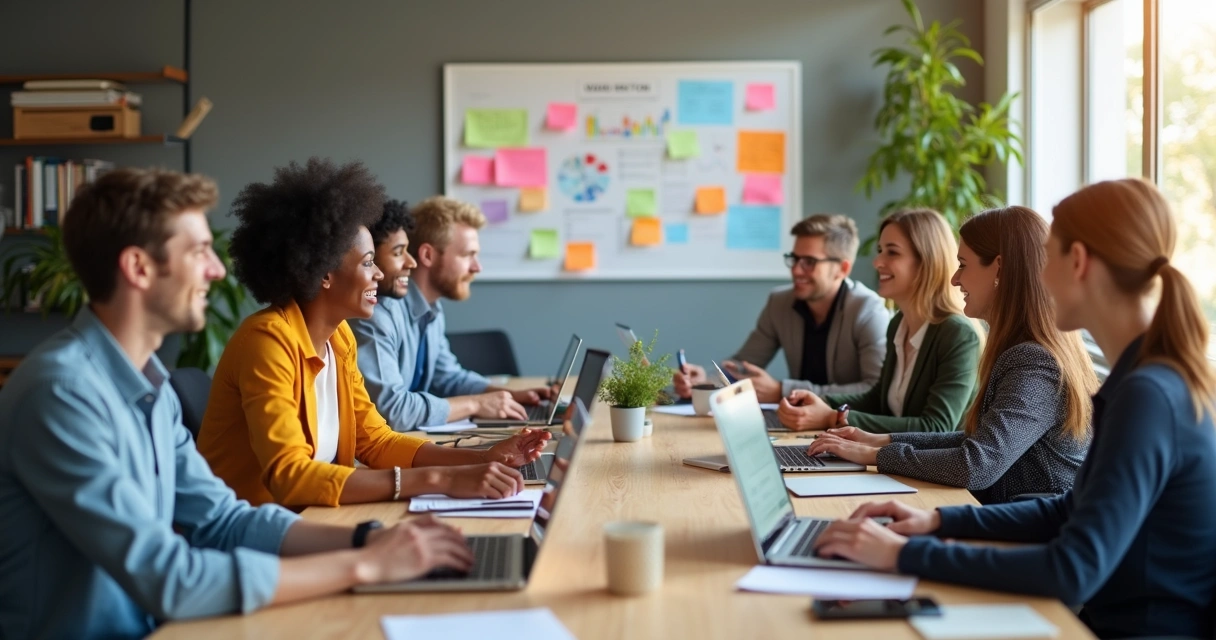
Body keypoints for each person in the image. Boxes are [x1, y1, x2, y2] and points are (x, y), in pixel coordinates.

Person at [0, 167, 477, 639]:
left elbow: (222, 519)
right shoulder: (62, 394)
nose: (216, 269)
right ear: (138, 268)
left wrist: (367, 538)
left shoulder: (152, 387)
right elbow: (169, 579)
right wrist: (365, 564)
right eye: (198, 251)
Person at [812, 179, 1216, 639]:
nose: (1040, 276)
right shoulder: (1143, 381)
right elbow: (1068, 510)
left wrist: (901, 554)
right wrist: (937, 520)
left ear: (1078, 261)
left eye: (1048, 258)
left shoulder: (1148, 396)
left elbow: (1072, 569)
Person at [197, 159, 548, 508]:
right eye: (368, 262)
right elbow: (290, 476)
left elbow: (377, 442)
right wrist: (441, 479)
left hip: (308, 517)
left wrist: (484, 457)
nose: (379, 274)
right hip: (242, 528)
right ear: (324, 273)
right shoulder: (267, 342)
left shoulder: (340, 339)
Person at [808, 206, 1097, 503]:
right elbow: (974, 441)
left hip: (1031, 525)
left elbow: (975, 465)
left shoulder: (1035, 362)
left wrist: (874, 454)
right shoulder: (1022, 351)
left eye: (963, 265)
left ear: (999, 268)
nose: (955, 279)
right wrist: (879, 440)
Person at [351, 196, 552, 429]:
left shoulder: (431, 310)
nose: (477, 267)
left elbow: (447, 377)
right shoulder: (378, 315)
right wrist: (475, 404)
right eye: (467, 255)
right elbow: (392, 411)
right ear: (428, 255)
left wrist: (506, 396)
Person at [777, 209, 981, 433]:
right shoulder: (898, 324)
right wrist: (821, 402)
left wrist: (833, 418)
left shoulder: (958, 334)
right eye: (880, 251)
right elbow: (878, 399)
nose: (877, 262)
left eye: (892, 252)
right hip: (891, 454)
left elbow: (936, 427)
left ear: (926, 262)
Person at [671, 214, 888, 403]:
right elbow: (743, 365)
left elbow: (874, 390)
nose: (796, 270)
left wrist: (782, 391)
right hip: (795, 422)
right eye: (794, 259)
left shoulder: (868, 310)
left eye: (809, 262)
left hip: (847, 427)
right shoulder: (780, 302)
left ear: (842, 268)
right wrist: (706, 381)